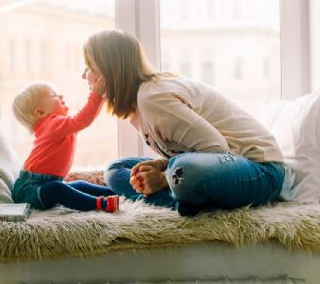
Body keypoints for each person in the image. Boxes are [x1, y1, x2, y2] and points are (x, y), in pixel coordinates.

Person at [82, 30, 285, 216]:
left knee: (184, 170)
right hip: (217, 165)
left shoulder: (153, 98)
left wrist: (162, 177)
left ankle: (181, 197)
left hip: (261, 170)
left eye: (90, 67)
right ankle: (185, 201)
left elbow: (217, 149)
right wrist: (163, 166)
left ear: (110, 72)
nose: (84, 75)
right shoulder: (139, 104)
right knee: (116, 169)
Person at [11, 79, 119, 213]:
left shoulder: (57, 126)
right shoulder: (52, 124)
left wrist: (101, 99)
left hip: (46, 184)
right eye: (54, 95)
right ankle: (101, 204)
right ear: (40, 113)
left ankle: (116, 192)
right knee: (57, 189)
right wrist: (95, 94)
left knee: (78, 185)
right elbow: (83, 119)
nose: (60, 96)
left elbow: (87, 120)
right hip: (30, 190)